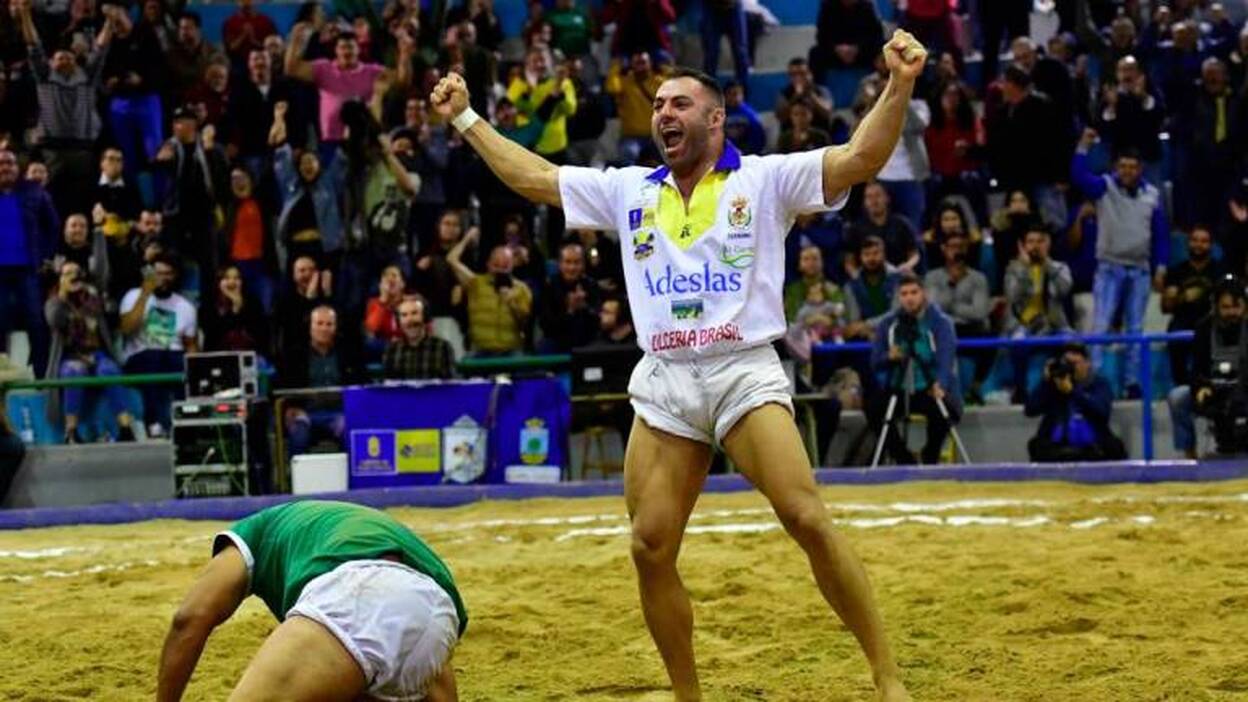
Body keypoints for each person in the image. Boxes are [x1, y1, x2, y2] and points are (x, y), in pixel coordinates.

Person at [429, 27, 927, 699]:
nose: (663, 112)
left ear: (715, 118)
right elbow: (535, 177)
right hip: (665, 380)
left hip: (743, 370)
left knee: (806, 517)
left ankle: (888, 676)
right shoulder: (629, 189)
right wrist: (465, 117)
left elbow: (861, 156)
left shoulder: (765, 178)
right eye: (659, 104)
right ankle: (688, 695)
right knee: (649, 546)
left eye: (679, 103)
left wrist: (899, 84)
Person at [156, 500, 465, 701]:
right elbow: (402, 624)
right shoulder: (325, 526)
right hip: (438, 620)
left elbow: (189, 618)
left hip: (360, 592)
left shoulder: (254, 534)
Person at [1071, 128, 1170, 398]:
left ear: (1140, 169)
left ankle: (1132, 384)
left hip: (1140, 270)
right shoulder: (1105, 187)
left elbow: (1161, 234)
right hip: (1109, 267)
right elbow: (1079, 177)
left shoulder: (1152, 194)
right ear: (1116, 167)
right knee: (1101, 325)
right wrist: (1083, 147)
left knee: (1136, 328)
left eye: (1132, 167)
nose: (1127, 171)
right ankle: (1093, 381)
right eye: (1123, 166)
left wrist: (1161, 267)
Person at [867, 273, 961, 465]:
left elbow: (946, 358)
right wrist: (889, 357)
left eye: (914, 292)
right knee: (874, 408)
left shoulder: (941, 323)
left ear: (923, 293)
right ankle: (904, 460)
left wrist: (940, 384)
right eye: (904, 294)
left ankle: (930, 456)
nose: (909, 298)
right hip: (897, 387)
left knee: (947, 411)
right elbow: (875, 361)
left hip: (929, 387)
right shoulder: (888, 324)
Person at [44, 260, 136, 443]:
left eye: (76, 272)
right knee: (73, 371)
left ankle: (126, 428)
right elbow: (55, 321)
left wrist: (99, 295)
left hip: (97, 352)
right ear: (60, 279)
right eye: (68, 274)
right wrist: (63, 293)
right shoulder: (54, 302)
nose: (74, 277)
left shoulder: (94, 299)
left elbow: (112, 317)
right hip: (71, 355)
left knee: (108, 369)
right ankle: (71, 431)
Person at [118, 253, 198, 437]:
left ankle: (185, 422)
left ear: (175, 276)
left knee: (184, 365)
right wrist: (145, 294)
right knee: (153, 356)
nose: (163, 278)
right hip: (140, 358)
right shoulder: (133, 296)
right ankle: (153, 423)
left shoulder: (185, 306)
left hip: (172, 357)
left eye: (168, 274)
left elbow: (191, 345)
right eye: (158, 273)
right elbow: (127, 328)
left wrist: (194, 367)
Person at [1168, 277, 1248, 458]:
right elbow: (1197, 369)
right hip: (1213, 388)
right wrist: (1201, 387)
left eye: (1236, 307)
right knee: (1177, 398)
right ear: (1216, 307)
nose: (1232, 312)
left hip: (1244, 389)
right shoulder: (1203, 328)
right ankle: (1189, 456)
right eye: (1226, 307)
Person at [0, 148, 60, 378]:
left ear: (18, 168)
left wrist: (45, 256)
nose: (5, 167)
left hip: (27, 269)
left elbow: (52, 225)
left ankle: (41, 375)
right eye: (1, 163)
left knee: (36, 321)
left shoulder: (34, 191)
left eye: (10, 163)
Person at [277, 306, 363, 457]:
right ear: (310, 326)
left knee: (351, 433)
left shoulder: (349, 353)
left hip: (340, 413)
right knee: (299, 435)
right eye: (319, 323)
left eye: (329, 324)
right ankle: (298, 473)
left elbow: (362, 383)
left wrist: (352, 409)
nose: (324, 329)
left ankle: (351, 473)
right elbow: (280, 388)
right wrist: (290, 408)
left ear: (335, 327)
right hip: (305, 413)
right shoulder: (293, 355)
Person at [1003, 222, 1075, 399]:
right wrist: (1024, 270)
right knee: (1018, 342)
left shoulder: (1059, 268)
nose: (1035, 246)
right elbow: (1013, 296)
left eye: (1040, 241)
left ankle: (1068, 389)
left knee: (1073, 341)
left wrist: (1047, 264)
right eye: (1031, 242)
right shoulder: (1014, 270)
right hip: (1025, 325)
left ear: (1047, 243)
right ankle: (1020, 389)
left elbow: (1064, 289)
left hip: (1054, 324)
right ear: (1023, 246)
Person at [1024, 343, 1126, 462]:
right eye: (1067, 363)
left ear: (1087, 363)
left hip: (1092, 447)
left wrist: (1073, 392)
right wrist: (1045, 382)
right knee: (1036, 445)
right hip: (1057, 447)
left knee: (1114, 446)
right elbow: (1030, 410)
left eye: (1074, 364)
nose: (1071, 368)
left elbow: (1102, 412)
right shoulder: (1053, 386)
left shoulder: (1099, 384)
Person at [923, 229, 991, 404]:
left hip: (970, 329)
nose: (957, 251)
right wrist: (952, 285)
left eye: (961, 247)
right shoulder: (932, 277)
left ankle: (975, 387)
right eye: (952, 247)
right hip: (941, 328)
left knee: (989, 336)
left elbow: (979, 312)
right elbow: (933, 308)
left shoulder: (978, 278)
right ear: (944, 249)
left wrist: (951, 306)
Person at [445, 226, 533, 356]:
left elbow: (525, 323)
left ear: (512, 266)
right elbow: (451, 259)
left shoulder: (521, 289)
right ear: (488, 264)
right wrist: (467, 238)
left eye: (505, 266)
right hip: (480, 350)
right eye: (496, 265)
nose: (500, 270)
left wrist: (512, 303)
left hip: (511, 351)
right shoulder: (475, 282)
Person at [1162, 226, 1223, 386]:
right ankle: (1181, 387)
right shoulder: (1176, 271)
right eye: (1195, 240)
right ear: (1188, 243)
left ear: (1210, 245)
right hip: (1182, 322)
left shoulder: (1220, 271)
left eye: (1204, 241)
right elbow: (1165, 307)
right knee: (1175, 338)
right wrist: (1180, 297)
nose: (1198, 245)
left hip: (1211, 322)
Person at [538, 242, 601, 352]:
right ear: (560, 264)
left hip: (587, 341)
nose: (572, 267)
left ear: (583, 264)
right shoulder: (549, 287)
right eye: (568, 262)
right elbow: (546, 325)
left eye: (577, 262)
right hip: (556, 340)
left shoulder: (591, 285)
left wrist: (584, 307)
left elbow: (598, 321)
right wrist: (570, 310)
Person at [847, 181, 919, 273]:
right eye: (869, 197)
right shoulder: (855, 229)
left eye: (878, 195)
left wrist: (907, 266)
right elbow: (849, 261)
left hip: (898, 274)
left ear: (887, 198)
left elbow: (914, 255)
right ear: (864, 202)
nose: (873, 201)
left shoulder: (901, 224)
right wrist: (857, 277)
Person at [200, 265, 270, 356]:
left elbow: (260, 335)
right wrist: (234, 311)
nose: (232, 282)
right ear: (218, 282)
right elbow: (213, 336)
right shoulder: (208, 304)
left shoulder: (253, 303)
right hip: (218, 356)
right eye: (226, 278)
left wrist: (240, 307)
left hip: (250, 355)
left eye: (236, 278)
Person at [383, 296, 456, 380]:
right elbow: (388, 385)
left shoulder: (443, 347)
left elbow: (450, 384)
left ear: (425, 317)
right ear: (398, 321)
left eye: (414, 313)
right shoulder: (392, 350)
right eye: (404, 315)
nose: (409, 319)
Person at [721, 79, 766, 155]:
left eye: (736, 94)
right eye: (729, 94)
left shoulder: (750, 114)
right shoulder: (720, 113)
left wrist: (746, 152)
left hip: (747, 153)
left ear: (743, 95)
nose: (733, 97)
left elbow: (758, 138)